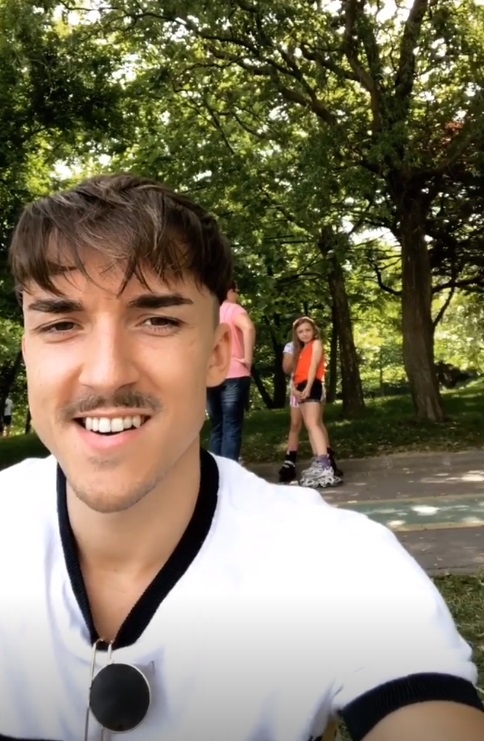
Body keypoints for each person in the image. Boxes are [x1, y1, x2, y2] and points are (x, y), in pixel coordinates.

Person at [0, 174, 483, 741]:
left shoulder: (338, 564)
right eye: (61, 324)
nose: (107, 374)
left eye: (158, 320)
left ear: (217, 355)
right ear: (28, 353)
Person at [278, 337, 343, 484]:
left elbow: (316, 366)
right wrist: (296, 353)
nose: (304, 334)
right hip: (297, 386)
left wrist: (308, 387)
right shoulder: (291, 346)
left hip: (313, 386)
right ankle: (291, 460)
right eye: (300, 331)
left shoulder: (315, 345)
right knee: (297, 423)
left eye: (307, 330)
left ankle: (326, 460)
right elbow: (287, 368)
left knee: (315, 423)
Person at [206, 281, 256, 461]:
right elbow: (248, 327)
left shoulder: (207, 312)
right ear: (230, 291)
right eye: (237, 291)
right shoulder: (233, 309)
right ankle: (229, 472)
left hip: (211, 374)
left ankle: (215, 471)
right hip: (235, 372)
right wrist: (247, 358)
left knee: (217, 426)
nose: (238, 295)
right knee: (231, 426)